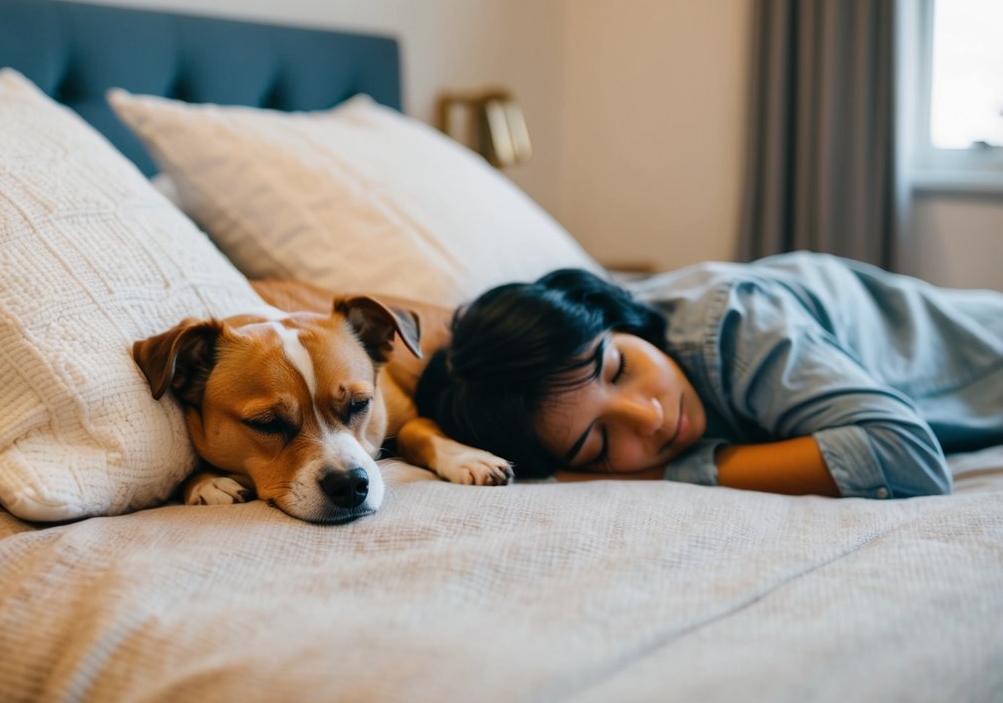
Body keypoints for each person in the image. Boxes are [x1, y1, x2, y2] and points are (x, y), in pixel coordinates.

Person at [414, 251, 1003, 498]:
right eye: (598, 443)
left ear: (619, 321)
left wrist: (674, 470)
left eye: (619, 369)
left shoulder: (735, 325)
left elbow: (906, 456)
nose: (649, 417)